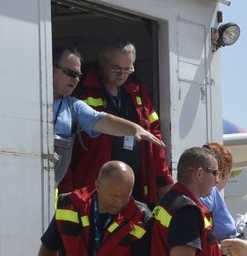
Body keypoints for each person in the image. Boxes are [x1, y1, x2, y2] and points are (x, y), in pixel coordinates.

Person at [67, 40, 174, 204]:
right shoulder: (82, 89)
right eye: (116, 69)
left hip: (136, 186)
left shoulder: (139, 92)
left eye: (127, 69)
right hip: (93, 185)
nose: (122, 74)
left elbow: (154, 134)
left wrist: (163, 179)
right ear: (102, 62)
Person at [52, 46, 163, 185]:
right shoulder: (29, 102)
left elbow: (101, 120)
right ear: (51, 68)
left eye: (78, 75)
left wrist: (135, 129)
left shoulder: (73, 107)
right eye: (70, 73)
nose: (76, 80)